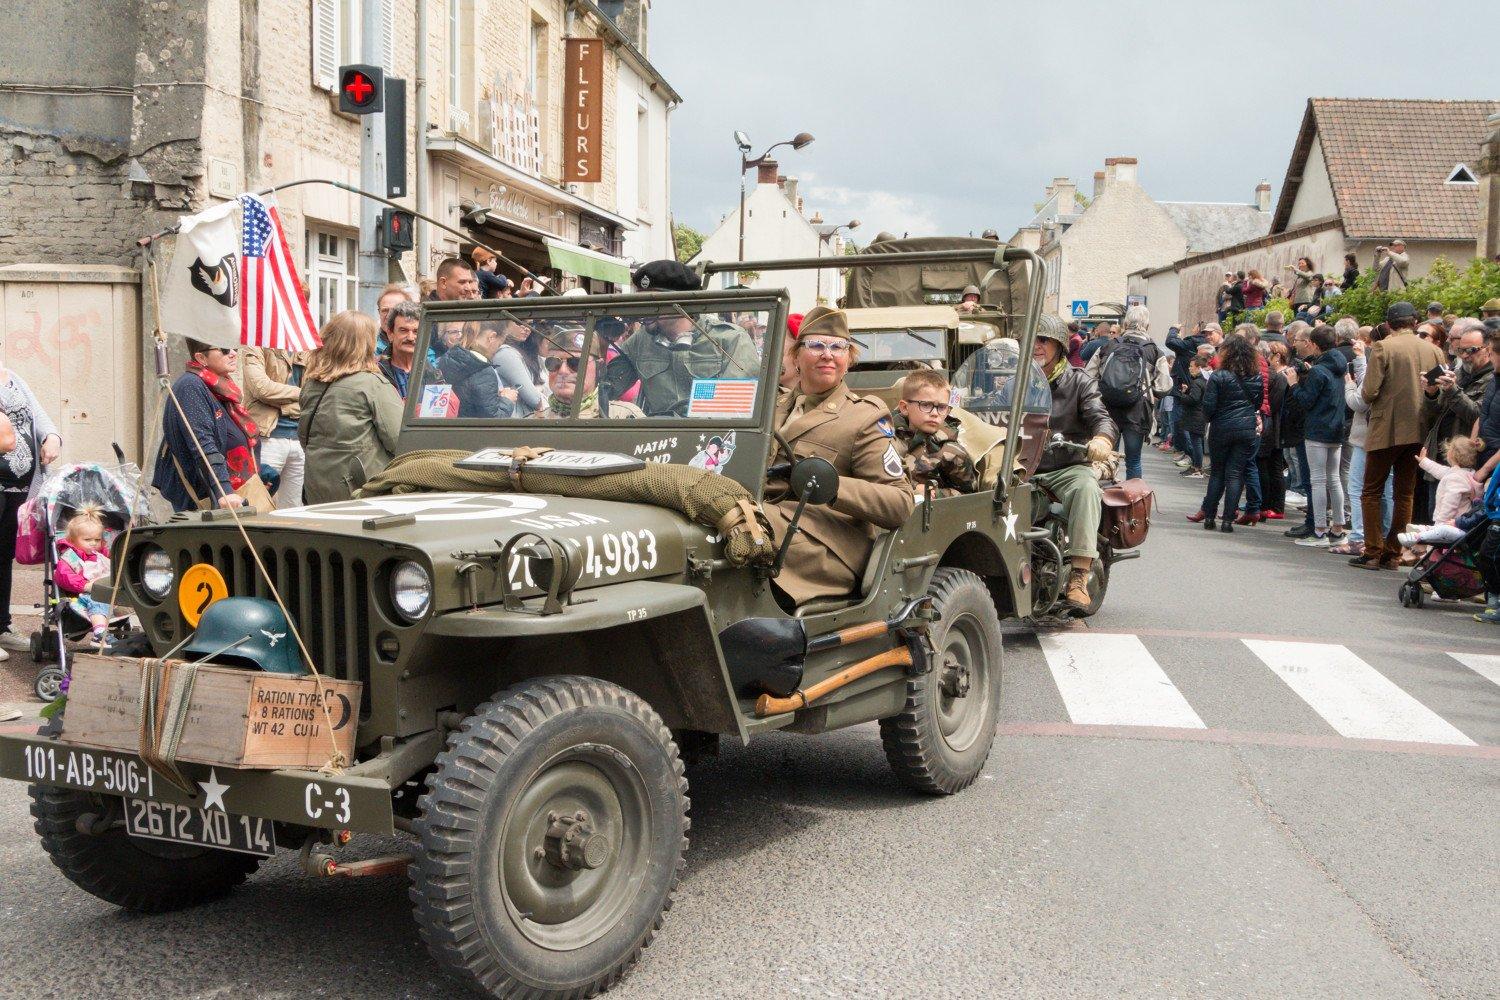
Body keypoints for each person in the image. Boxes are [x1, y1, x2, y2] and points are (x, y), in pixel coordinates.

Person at [764, 305, 914, 607]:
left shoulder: (864, 417)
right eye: (816, 345)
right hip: (770, 526)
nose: (827, 354)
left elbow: (900, 502)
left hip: (827, 545)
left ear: (849, 359)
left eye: (838, 347)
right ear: (796, 356)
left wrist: (830, 486)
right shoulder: (771, 408)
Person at [1351, 301, 1447, 568]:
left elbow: (1369, 392)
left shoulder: (1383, 346)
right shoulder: (1434, 350)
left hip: (1386, 427)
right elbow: (1440, 389)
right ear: (1415, 322)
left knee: (1371, 490)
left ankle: (1372, 550)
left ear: (1389, 324)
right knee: (1405, 493)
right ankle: (1393, 552)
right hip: (1420, 427)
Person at [1032, 314, 1117, 609]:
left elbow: (1100, 415)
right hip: (1019, 467)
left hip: (1064, 467)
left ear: (1059, 346)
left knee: (1086, 488)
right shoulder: (1015, 382)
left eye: (1043, 340)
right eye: (1031, 339)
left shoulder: (1079, 382)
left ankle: (1079, 575)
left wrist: (1102, 439)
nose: (1036, 346)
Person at [601, 260, 760, 417]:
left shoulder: (731, 339)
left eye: (652, 303)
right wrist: (599, 342)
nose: (644, 310)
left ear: (681, 302)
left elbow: (733, 410)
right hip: (655, 439)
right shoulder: (640, 341)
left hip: (710, 439)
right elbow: (602, 389)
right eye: (640, 302)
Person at [299, 311, 404, 504]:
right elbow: (400, 441)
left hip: (317, 486)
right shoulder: (373, 384)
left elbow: (305, 438)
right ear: (367, 344)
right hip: (362, 490)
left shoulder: (311, 385)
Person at [152, 339, 257, 514]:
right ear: (201, 358)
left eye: (234, 347)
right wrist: (223, 490)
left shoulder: (221, 387)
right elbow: (203, 444)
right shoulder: (190, 386)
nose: (233, 353)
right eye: (224, 349)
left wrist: (261, 472)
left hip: (230, 492)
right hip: (205, 496)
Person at [1085, 304, 1170, 480]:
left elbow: (1088, 376)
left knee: (1106, 458)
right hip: (1137, 413)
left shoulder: (1108, 346)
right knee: (1133, 461)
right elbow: (1164, 386)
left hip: (1107, 410)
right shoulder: (1154, 351)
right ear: (1147, 326)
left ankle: (1104, 500)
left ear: (1125, 324)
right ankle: (1131, 503)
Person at [1282, 325, 1348, 545]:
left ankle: (1319, 530)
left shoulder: (1319, 370)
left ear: (1315, 345)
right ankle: (1337, 529)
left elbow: (1306, 401)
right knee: (1334, 480)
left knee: (1318, 481)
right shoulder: (1339, 366)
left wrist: (1293, 384)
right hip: (1335, 429)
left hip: (1317, 429)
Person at [1194, 336, 1263, 532]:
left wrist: (1212, 418)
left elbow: (1208, 406)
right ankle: (1227, 520)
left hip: (1222, 427)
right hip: (1246, 428)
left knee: (1217, 472)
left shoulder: (1218, 376)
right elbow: (1258, 403)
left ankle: (1209, 516)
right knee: (1235, 473)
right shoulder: (1256, 375)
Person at [1335, 328, 1394, 555]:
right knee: (1387, 487)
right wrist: (1360, 360)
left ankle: (1360, 538)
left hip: (1367, 434)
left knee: (1359, 486)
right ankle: (1387, 538)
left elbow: (1361, 400)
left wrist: (1349, 384)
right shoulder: (1404, 366)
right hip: (1392, 434)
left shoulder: (1379, 362)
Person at [241, 344, 307, 508]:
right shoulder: (255, 345)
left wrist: (280, 399)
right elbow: (262, 389)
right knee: (258, 504)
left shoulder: (306, 345)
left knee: (294, 510)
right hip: (266, 438)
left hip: (299, 438)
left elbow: (315, 393)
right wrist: (301, 393)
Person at [893, 368, 976, 496]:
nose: (935, 413)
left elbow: (971, 498)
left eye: (942, 407)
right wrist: (913, 490)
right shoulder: (884, 436)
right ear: (904, 407)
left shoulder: (951, 452)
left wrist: (935, 494)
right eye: (926, 405)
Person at [1396, 437, 1481, 550]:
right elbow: (1439, 470)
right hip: (1457, 524)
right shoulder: (1465, 474)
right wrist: (1424, 461)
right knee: (1439, 530)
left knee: (1442, 530)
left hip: (1455, 525)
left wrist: (1441, 521)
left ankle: (1417, 536)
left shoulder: (1456, 478)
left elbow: (1450, 503)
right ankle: (1426, 530)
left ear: (1451, 455)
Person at [437, 321, 520, 419]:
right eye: (498, 345)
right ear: (491, 337)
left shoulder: (447, 360)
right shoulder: (483, 371)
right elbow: (493, 420)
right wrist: (507, 400)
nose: (496, 351)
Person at [54, 508, 112, 643]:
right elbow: (64, 576)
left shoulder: (102, 555)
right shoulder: (71, 557)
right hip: (83, 595)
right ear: (73, 540)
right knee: (97, 601)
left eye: (97, 539)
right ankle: (99, 633)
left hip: (108, 592)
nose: (93, 543)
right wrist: (85, 585)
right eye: (88, 539)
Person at [534, 351, 642, 419]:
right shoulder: (532, 423)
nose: (563, 371)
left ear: (598, 368)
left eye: (576, 363)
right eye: (553, 363)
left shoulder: (625, 416)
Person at [491, 318, 546, 417]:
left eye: (529, 324)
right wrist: (540, 393)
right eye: (519, 322)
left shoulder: (527, 352)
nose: (526, 328)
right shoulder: (506, 353)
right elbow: (534, 399)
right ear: (505, 323)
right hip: (515, 421)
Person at [377, 300, 425, 400]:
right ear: (390, 334)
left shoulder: (433, 374)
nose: (410, 337)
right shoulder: (376, 372)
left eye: (416, 331)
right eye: (403, 330)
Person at [1174, 356, 1208, 478]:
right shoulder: (1202, 381)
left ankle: (1197, 468)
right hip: (1199, 415)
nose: (1189, 368)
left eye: (1191, 366)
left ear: (1199, 368)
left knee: (1196, 443)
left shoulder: (1197, 382)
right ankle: (1195, 466)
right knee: (1196, 442)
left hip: (1196, 416)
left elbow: (1194, 399)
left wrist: (1181, 395)